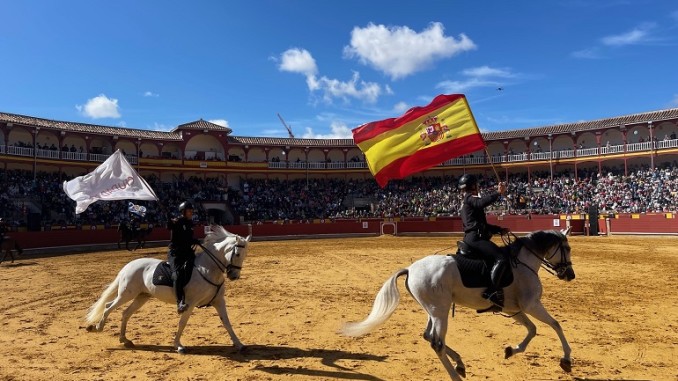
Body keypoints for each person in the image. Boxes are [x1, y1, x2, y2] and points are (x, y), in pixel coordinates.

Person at [459, 174, 509, 311]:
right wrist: (498, 193)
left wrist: (499, 230)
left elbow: (482, 225)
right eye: (476, 185)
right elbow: (481, 203)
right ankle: (491, 292)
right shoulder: (470, 199)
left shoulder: (466, 200)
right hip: (476, 238)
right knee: (502, 258)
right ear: (473, 186)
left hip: (473, 236)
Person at [166, 201, 200, 314]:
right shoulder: (178, 221)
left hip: (187, 252)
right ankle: (179, 302)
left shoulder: (190, 223)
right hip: (176, 253)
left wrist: (195, 241)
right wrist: (169, 221)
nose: (191, 212)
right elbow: (169, 226)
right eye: (189, 210)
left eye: (192, 210)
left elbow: (187, 238)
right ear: (183, 212)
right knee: (178, 274)